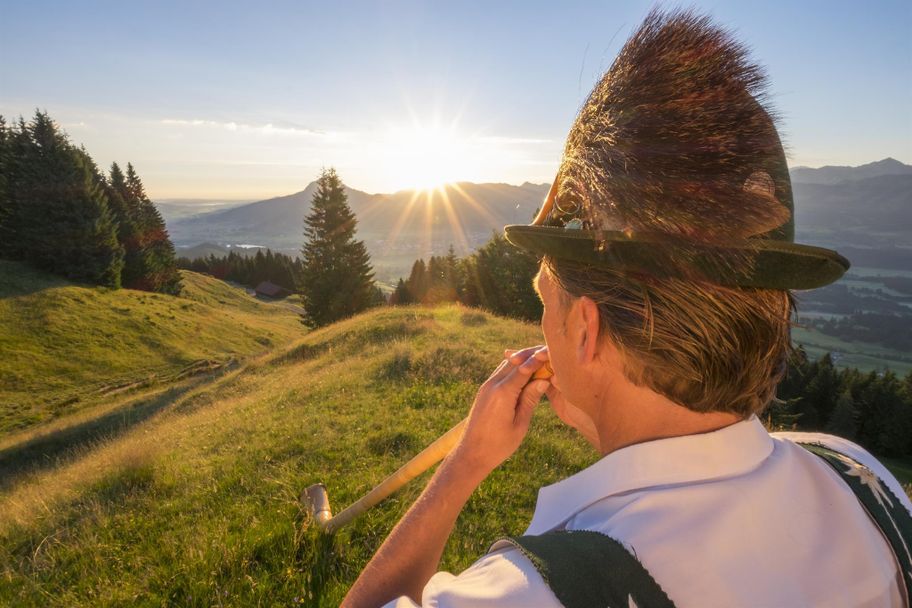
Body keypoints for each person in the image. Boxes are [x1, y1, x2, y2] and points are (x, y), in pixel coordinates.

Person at [342, 8, 912, 607]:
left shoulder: (537, 593)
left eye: (545, 299)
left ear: (586, 329)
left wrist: (463, 468)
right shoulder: (859, 477)